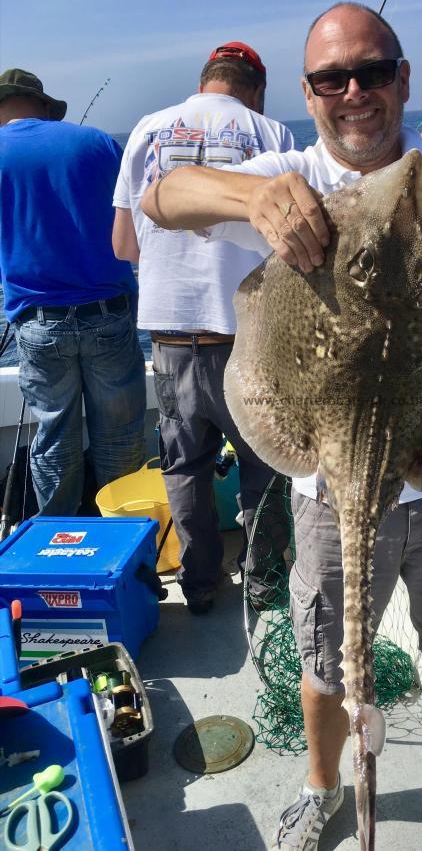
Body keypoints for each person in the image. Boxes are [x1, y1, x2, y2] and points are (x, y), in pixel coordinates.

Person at [143, 4, 422, 851]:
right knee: (328, 656)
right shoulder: (287, 174)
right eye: (330, 78)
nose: (353, 91)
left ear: (400, 78)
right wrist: (253, 196)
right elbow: (161, 195)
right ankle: (324, 789)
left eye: (371, 71)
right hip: (322, 481)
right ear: (309, 95)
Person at [112, 42, 294, 614]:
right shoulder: (273, 134)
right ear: (256, 87)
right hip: (252, 341)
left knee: (185, 467)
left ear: (204, 81)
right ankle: (264, 584)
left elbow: (123, 245)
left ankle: (199, 583)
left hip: (170, 338)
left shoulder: (146, 130)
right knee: (263, 466)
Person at [0, 68, 146, 517]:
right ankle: (127, 548)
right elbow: (137, 217)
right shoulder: (96, 142)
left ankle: (57, 543)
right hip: (110, 313)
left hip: (38, 324)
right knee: (120, 439)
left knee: (53, 440)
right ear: (45, 107)